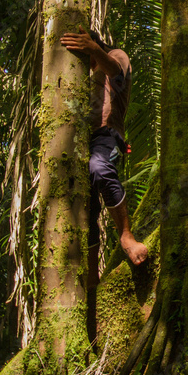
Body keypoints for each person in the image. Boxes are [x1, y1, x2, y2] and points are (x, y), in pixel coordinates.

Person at [59, 26, 148, 290]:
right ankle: (91, 280)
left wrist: (95, 49)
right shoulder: (87, 76)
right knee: (85, 208)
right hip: (81, 143)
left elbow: (117, 74)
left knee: (99, 168)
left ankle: (126, 236)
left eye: (85, 51)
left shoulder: (116, 56)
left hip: (108, 135)